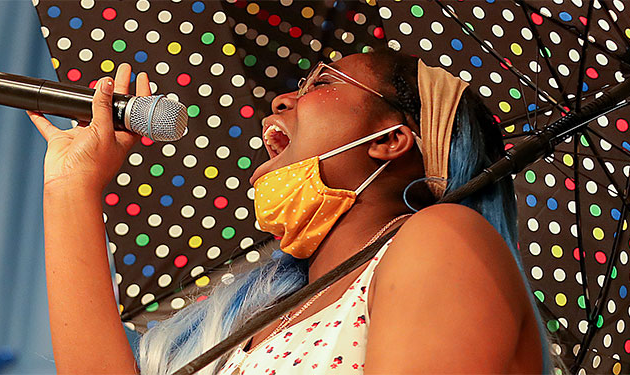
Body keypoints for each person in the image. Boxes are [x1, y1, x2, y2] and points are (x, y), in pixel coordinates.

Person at [28, 51, 542, 374]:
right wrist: (71, 186)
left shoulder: (444, 239)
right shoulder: (255, 320)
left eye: (323, 82)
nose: (281, 100)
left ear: (389, 140)